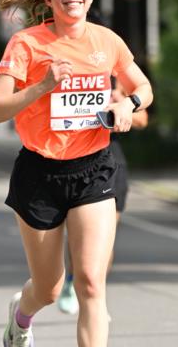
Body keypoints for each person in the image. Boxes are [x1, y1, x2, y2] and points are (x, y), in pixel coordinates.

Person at [0, 0, 153, 347]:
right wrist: (42, 85)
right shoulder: (27, 44)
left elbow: (143, 87)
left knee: (91, 283)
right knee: (49, 287)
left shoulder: (106, 42)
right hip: (39, 173)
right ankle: (21, 315)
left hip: (94, 169)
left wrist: (127, 103)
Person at [57, 75, 149, 315]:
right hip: (77, 159)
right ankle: (71, 280)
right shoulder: (77, 77)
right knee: (76, 233)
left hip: (113, 161)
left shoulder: (119, 80)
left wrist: (121, 107)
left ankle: (96, 294)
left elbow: (142, 119)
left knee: (104, 236)